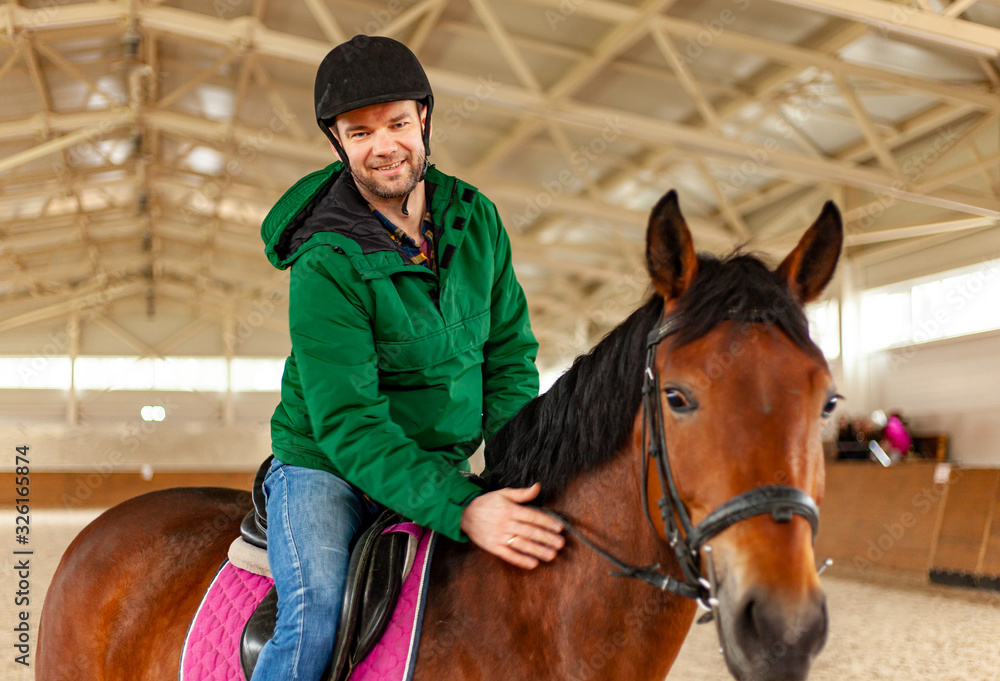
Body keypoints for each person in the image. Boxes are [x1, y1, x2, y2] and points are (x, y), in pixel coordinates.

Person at [254, 35, 565, 681]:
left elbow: (508, 357)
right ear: (338, 143)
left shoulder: (477, 220)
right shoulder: (323, 263)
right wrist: (462, 507)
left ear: (423, 118)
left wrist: (515, 465)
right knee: (317, 615)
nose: (384, 145)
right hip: (328, 467)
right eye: (360, 132)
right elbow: (350, 423)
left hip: (439, 460)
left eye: (397, 123)